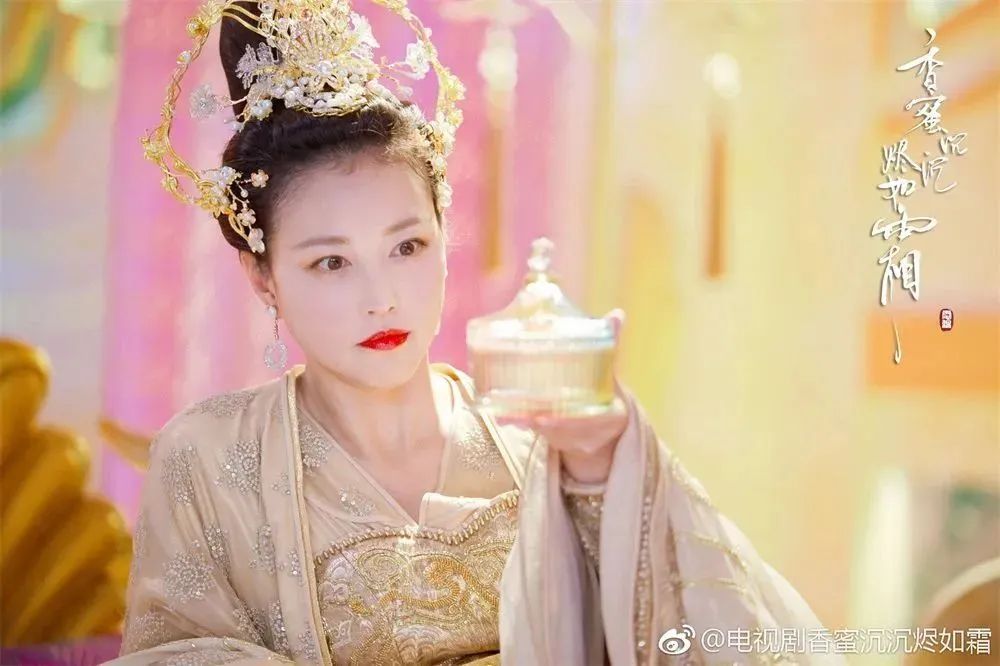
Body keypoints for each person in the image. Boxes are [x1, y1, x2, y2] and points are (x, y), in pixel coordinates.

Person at [110, 1, 843, 664]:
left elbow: (694, 629)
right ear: (262, 275)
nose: (382, 299)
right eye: (331, 262)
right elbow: (179, 653)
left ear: (443, 235)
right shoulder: (207, 457)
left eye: (407, 246)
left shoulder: (534, 438)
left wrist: (607, 465)